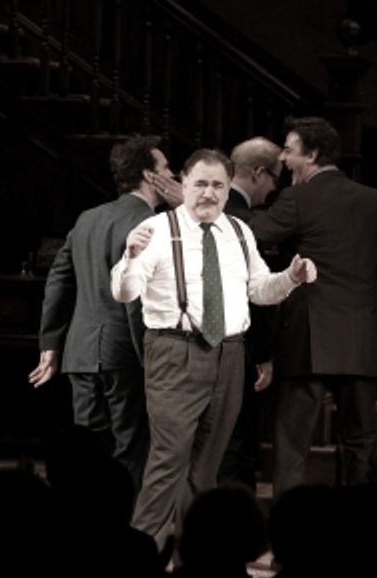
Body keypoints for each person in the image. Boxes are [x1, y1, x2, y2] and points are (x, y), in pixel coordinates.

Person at [111, 148, 317, 550]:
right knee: (168, 460)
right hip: (174, 352)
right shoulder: (157, 229)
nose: (209, 193)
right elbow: (125, 292)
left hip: (229, 354)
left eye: (218, 185)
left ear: (227, 190)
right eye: (200, 183)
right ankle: (138, 557)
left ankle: (195, 557)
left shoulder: (239, 232)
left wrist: (290, 278)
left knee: (207, 465)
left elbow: (259, 291)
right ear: (182, 184)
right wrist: (130, 257)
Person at [249, 117, 377, 498]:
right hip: (360, 335)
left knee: (292, 443)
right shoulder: (374, 199)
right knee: (360, 441)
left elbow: (253, 233)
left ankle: (288, 537)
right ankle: (356, 534)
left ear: (312, 155)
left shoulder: (298, 198)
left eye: (288, 149)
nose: (282, 159)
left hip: (309, 335)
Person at [30, 135, 183, 492]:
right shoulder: (154, 224)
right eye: (165, 168)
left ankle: (80, 525)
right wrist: (149, 358)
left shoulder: (88, 218)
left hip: (80, 352)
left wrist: (51, 342)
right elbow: (135, 300)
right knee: (129, 449)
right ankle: (119, 532)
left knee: (86, 447)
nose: (172, 173)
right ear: (150, 175)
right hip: (126, 355)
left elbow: (58, 279)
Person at [218, 136, 283, 488]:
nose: (275, 188)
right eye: (275, 178)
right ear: (258, 173)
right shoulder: (247, 223)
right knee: (237, 441)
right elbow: (254, 297)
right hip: (238, 345)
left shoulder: (198, 212)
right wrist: (265, 353)